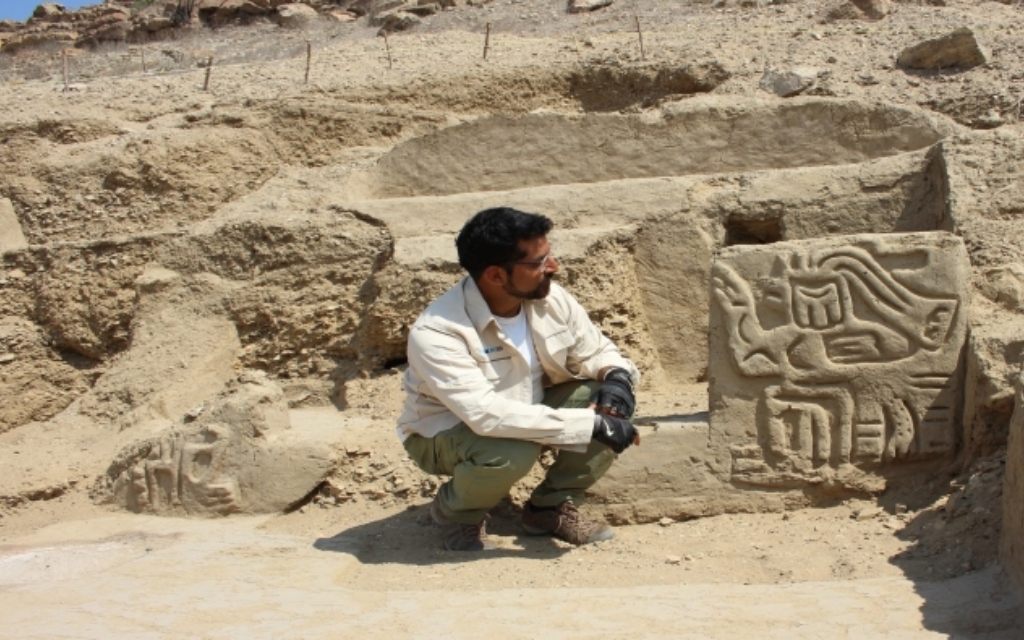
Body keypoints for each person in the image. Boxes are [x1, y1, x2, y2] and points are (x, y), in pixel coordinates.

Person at [396, 206, 641, 551]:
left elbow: (596, 350)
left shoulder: (549, 298)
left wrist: (616, 378)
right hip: (444, 434)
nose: (552, 267)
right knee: (512, 450)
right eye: (538, 262)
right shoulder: (438, 332)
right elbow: (485, 415)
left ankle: (549, 508)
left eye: (549, 255)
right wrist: (590, 426)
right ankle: (457, 512)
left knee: (607, 402)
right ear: (496, 275)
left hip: (527, 409)